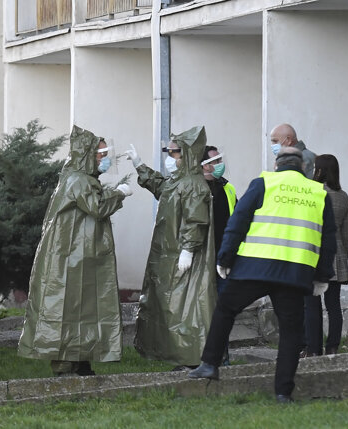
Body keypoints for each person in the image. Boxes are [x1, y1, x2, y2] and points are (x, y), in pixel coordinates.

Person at [188, 147, 337, 403]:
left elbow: (238, 222)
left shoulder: (263, 183)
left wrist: (225, 258)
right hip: (294, 272)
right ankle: (282, 392)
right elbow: (328, 239)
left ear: (277, 164)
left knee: (225, 309)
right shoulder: (318, 193)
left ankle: (210, 364)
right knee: (291, 332)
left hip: (254, 268)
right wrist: (322, 276)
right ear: (302, 167)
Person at [18, 125, 133, 376]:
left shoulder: (78, 178)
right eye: (101, 154)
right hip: (70, 258)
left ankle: (80, 359)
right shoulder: (78, 180)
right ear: (87, 155)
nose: (105, 158)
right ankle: (66, 364)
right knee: (69, 308)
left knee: (82, 308)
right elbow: (97, 207)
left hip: (77, 256)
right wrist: (120, 193)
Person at [125, 126, 217, 370]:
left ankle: (192, 358)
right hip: (171, 255)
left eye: (173, 151)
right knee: (173, 309)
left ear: (186, 154)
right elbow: (161, 188)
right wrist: (139, 165)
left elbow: (196, 220)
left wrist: (188, 248)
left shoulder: (195, 185)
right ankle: (180, 356)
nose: (169, 155)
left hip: (185, 257)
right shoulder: (179, 181)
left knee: (187, 309)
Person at [303, 154, 348, 356]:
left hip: (315, 252)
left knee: (311, 305)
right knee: (333, 305)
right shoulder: (343, 196)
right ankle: (333, 346)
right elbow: (345, 233)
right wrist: (344, 257)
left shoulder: (312, 192)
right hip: (337, 253)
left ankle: (313, 349)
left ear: (319, 170)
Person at [201, 145, 238, 295]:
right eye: (215, 161)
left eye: (220, 160)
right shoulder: (196, 188)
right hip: (203, 254)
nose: (220, 164)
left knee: (224, 298)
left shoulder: (227, 187)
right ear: (204, 165)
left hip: (223, 253)